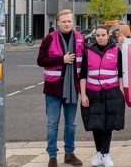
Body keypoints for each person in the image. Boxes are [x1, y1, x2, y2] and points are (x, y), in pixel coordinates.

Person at [37, 9, 85, 167]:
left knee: (70, 124)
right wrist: (61, 59)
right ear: (58, 23)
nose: (66, 24)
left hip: (72, 88)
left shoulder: (79, 38)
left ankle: (69, 154)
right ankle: (52, 156)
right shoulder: (49, 39)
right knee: (52, 124)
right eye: (63, 21)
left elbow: (86, 60)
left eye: (69, 21)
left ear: (73, 21)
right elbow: (41, 60)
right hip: (53, 88)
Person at [80, 26, 125, 167]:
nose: (100, 38)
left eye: (103, 35)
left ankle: (106, 154)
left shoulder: (115, 50)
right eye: (98, 35)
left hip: (111, 92)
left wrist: (121, 91)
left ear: (108, 35)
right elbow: (82, 75)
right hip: (93, 92)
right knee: (96, 124)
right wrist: (83, 95)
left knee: (108, 125)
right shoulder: (88, 50)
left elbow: (120, 73)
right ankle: (98, 152)